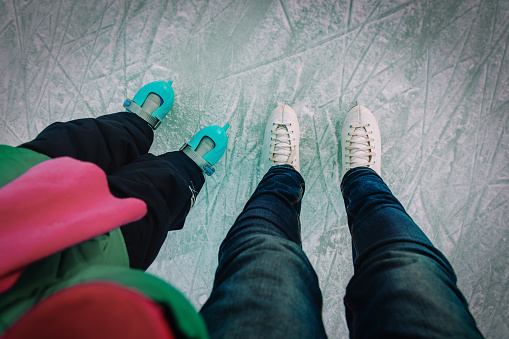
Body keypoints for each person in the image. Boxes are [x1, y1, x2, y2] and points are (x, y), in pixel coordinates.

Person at [0, 80, 483, 338]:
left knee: (82, 148)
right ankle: (337, 177)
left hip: (19, 185)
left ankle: (135, 125)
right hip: (95, 266)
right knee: (408, 271)